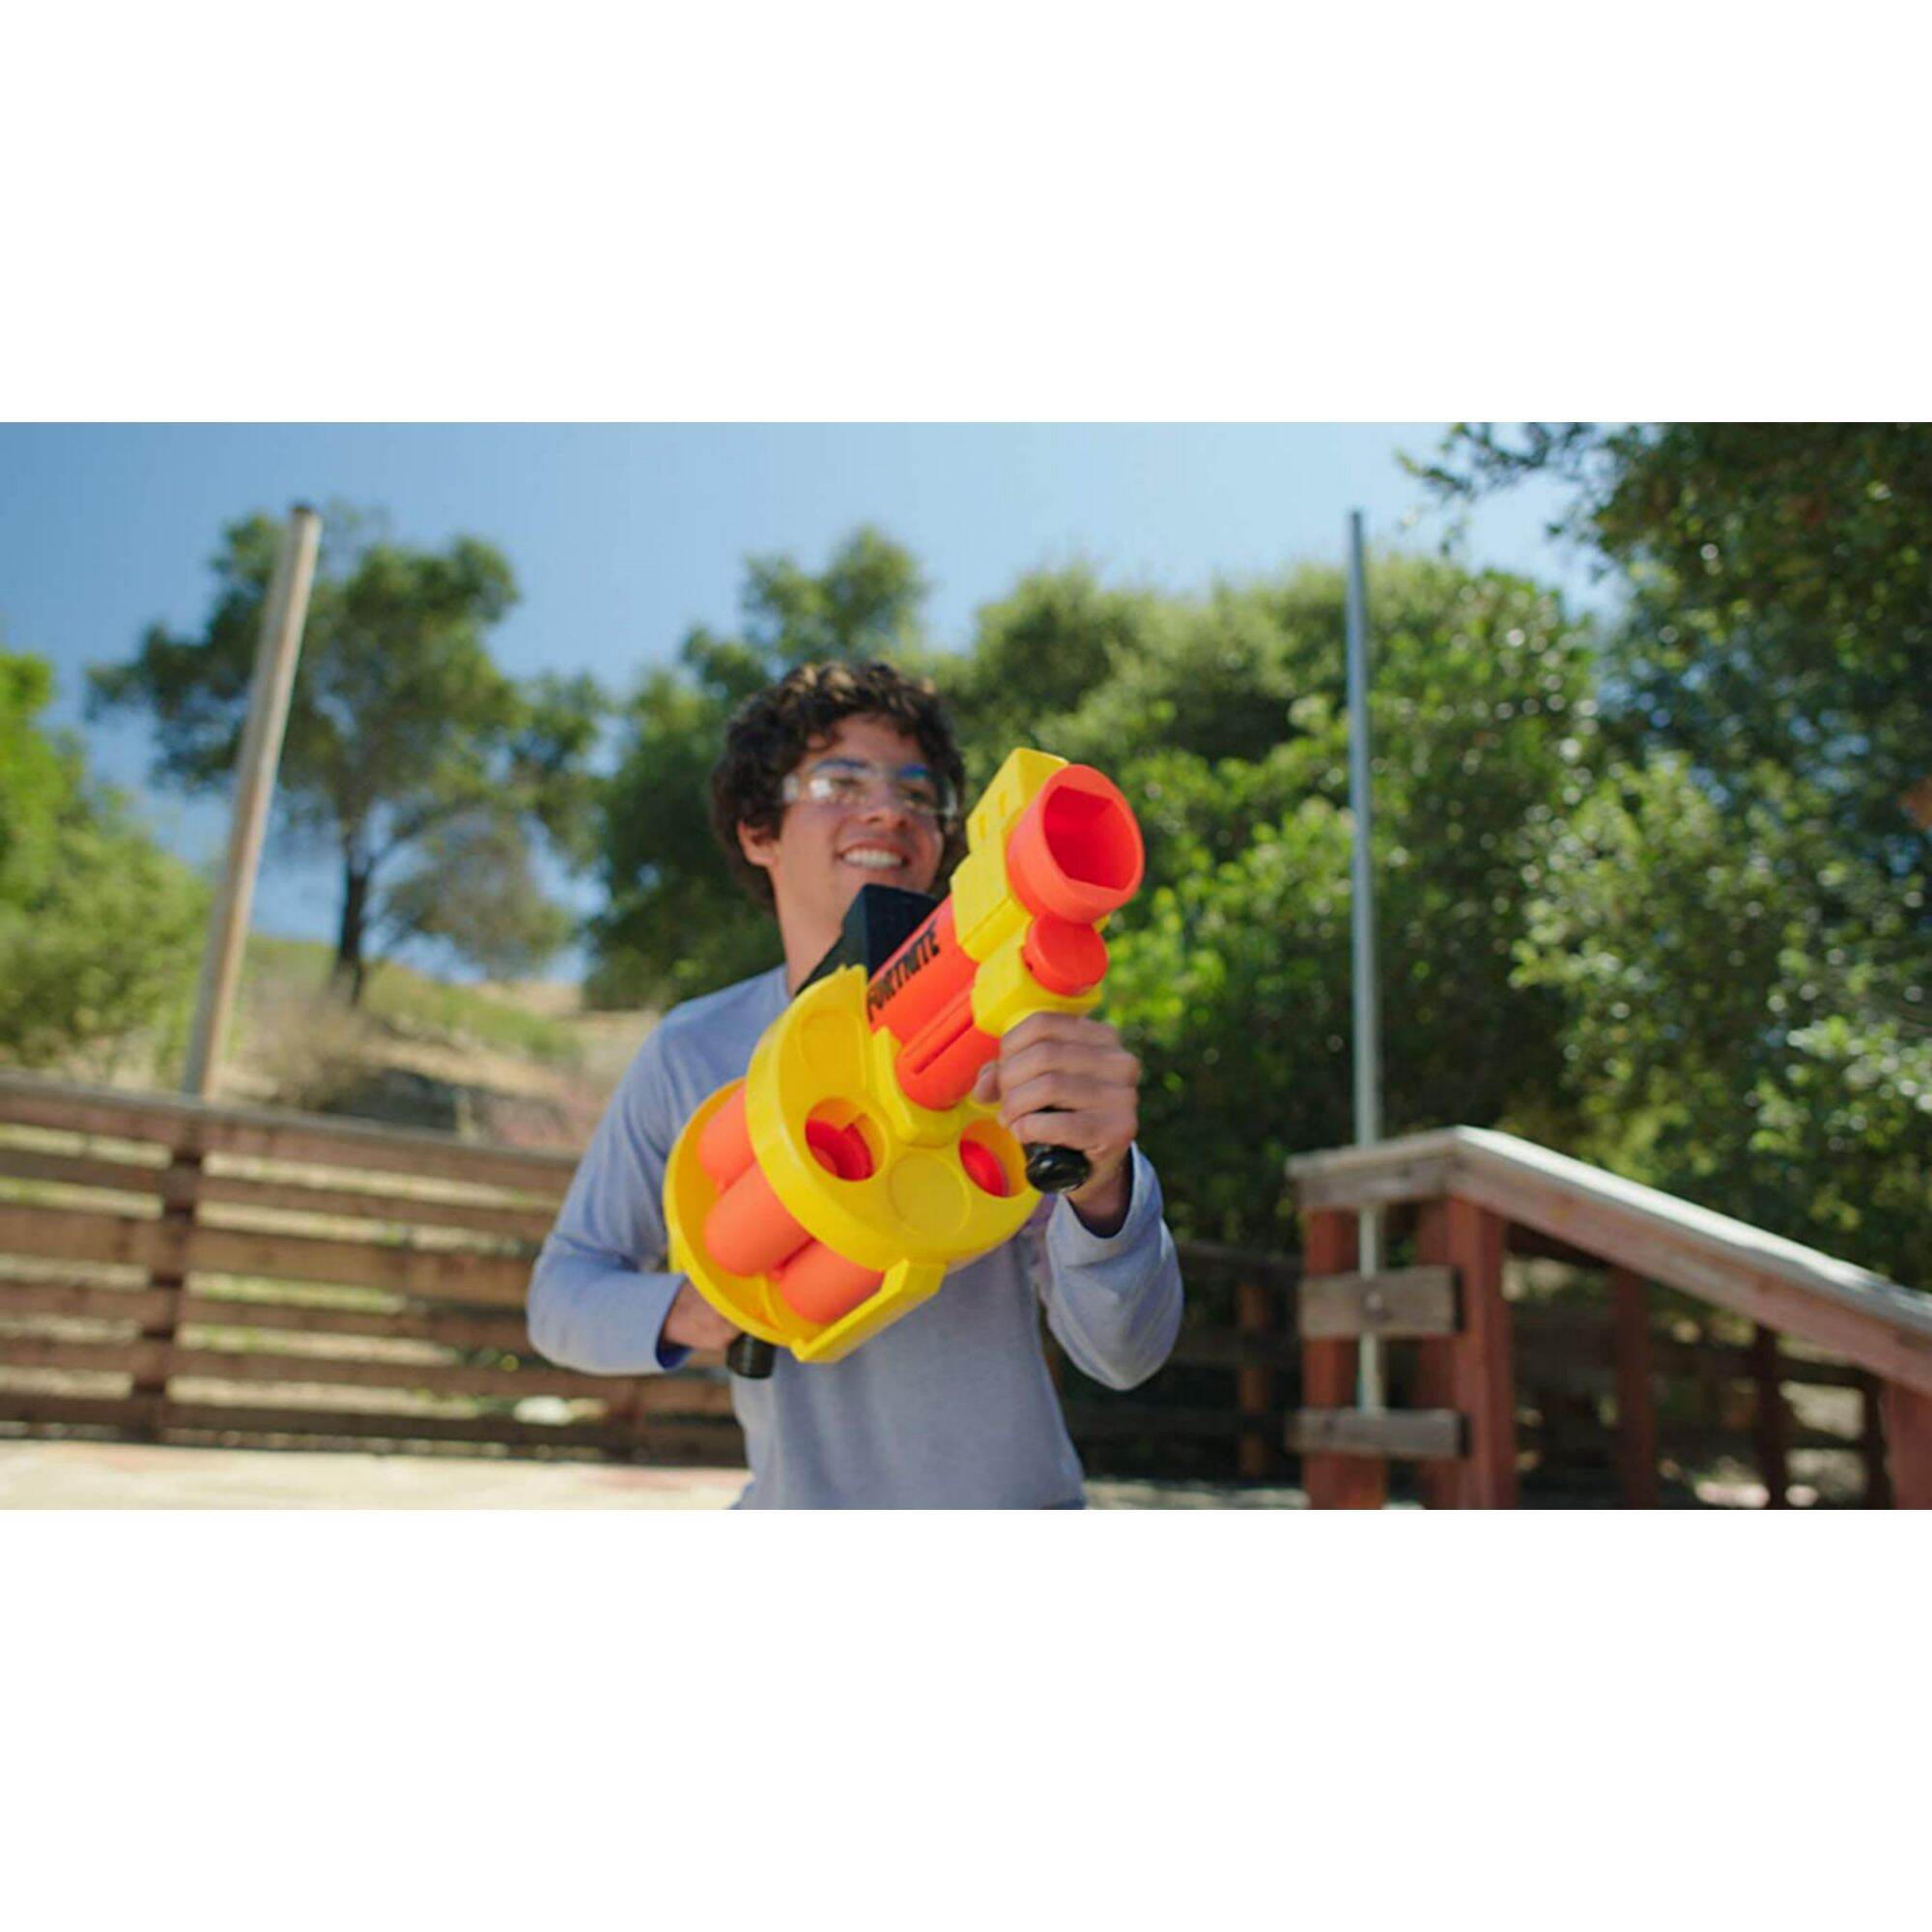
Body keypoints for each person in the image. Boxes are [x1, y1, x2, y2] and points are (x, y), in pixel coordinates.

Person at [526, 659, 1183, 1507]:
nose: (889, 811)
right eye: (840, 782)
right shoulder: (692, 1051)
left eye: (919, 794)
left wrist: (1105, 1191)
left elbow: (1126, 1354)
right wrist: (713, 1304)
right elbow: (561, 1298)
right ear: (758, 831)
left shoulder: (1017, 1042)